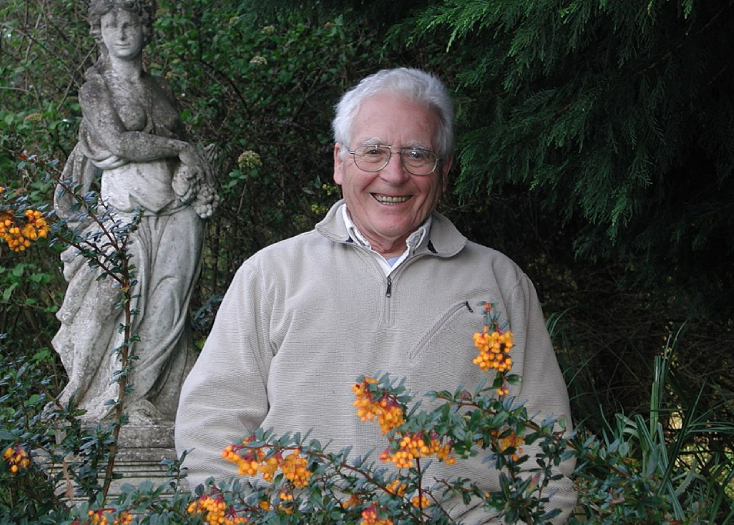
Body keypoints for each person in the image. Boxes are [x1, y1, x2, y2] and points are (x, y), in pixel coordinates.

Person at [175, 68, 575, 522]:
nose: (394, 174)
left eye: (417, 154)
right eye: (373, 152)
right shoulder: (271, 275)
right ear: (339, 162)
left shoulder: (501, 284)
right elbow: (210, 424)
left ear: (444, 170)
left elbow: (547, 445)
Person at [52, 0, 217, 425]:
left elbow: (184, 154)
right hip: (123, 212)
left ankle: (141, 396)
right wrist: (181, 148)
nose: (121, 33)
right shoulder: (96, 89)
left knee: (168, 306)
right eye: (111, 25)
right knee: (107, 299)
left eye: (130, 23)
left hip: (178, 211)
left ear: (145, 30)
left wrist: (196, 166)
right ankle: (91, 392)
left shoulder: (160, 88)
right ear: (99, 32)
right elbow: (122, 143)